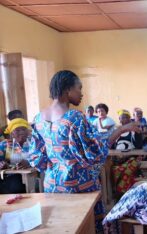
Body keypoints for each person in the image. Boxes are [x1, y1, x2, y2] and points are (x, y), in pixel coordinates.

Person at [28, 70, 139, 231]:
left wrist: (56, 165)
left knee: (62, 227)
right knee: (85, 227)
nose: (82, 93)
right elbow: (94, 150)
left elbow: (37, 157)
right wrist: (122, 130)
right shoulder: (74, 117)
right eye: (79, 88)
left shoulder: (38, 118)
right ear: (67, 90)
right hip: (78, 186)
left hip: (52, 185)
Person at [0, 118, 31, 194]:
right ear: (12, 133)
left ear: (28, 132)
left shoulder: (33, 143)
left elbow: (41, 158)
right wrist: (2, 164)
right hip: (12, 177)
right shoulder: (5, 144)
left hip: (32, 177)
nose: (21, 132)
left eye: (24, 129)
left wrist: (29, 163)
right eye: (17, 130)